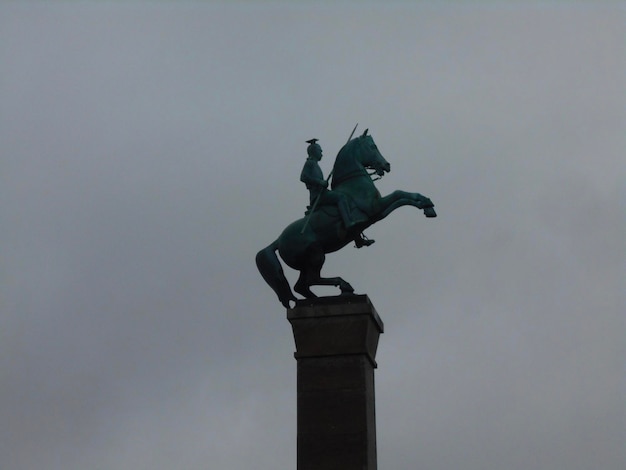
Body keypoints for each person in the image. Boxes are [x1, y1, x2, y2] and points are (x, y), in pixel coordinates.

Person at [301, 138, 374, 248]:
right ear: (314, 151)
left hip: (323, 192)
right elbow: (303, 177)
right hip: (318, 196)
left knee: (346, 204)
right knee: (341, 197)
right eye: (320, 151)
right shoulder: (310, 163)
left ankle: (358, 239)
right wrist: (320, 182)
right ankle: (348, 223)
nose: (322, 153)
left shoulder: (315, 164)